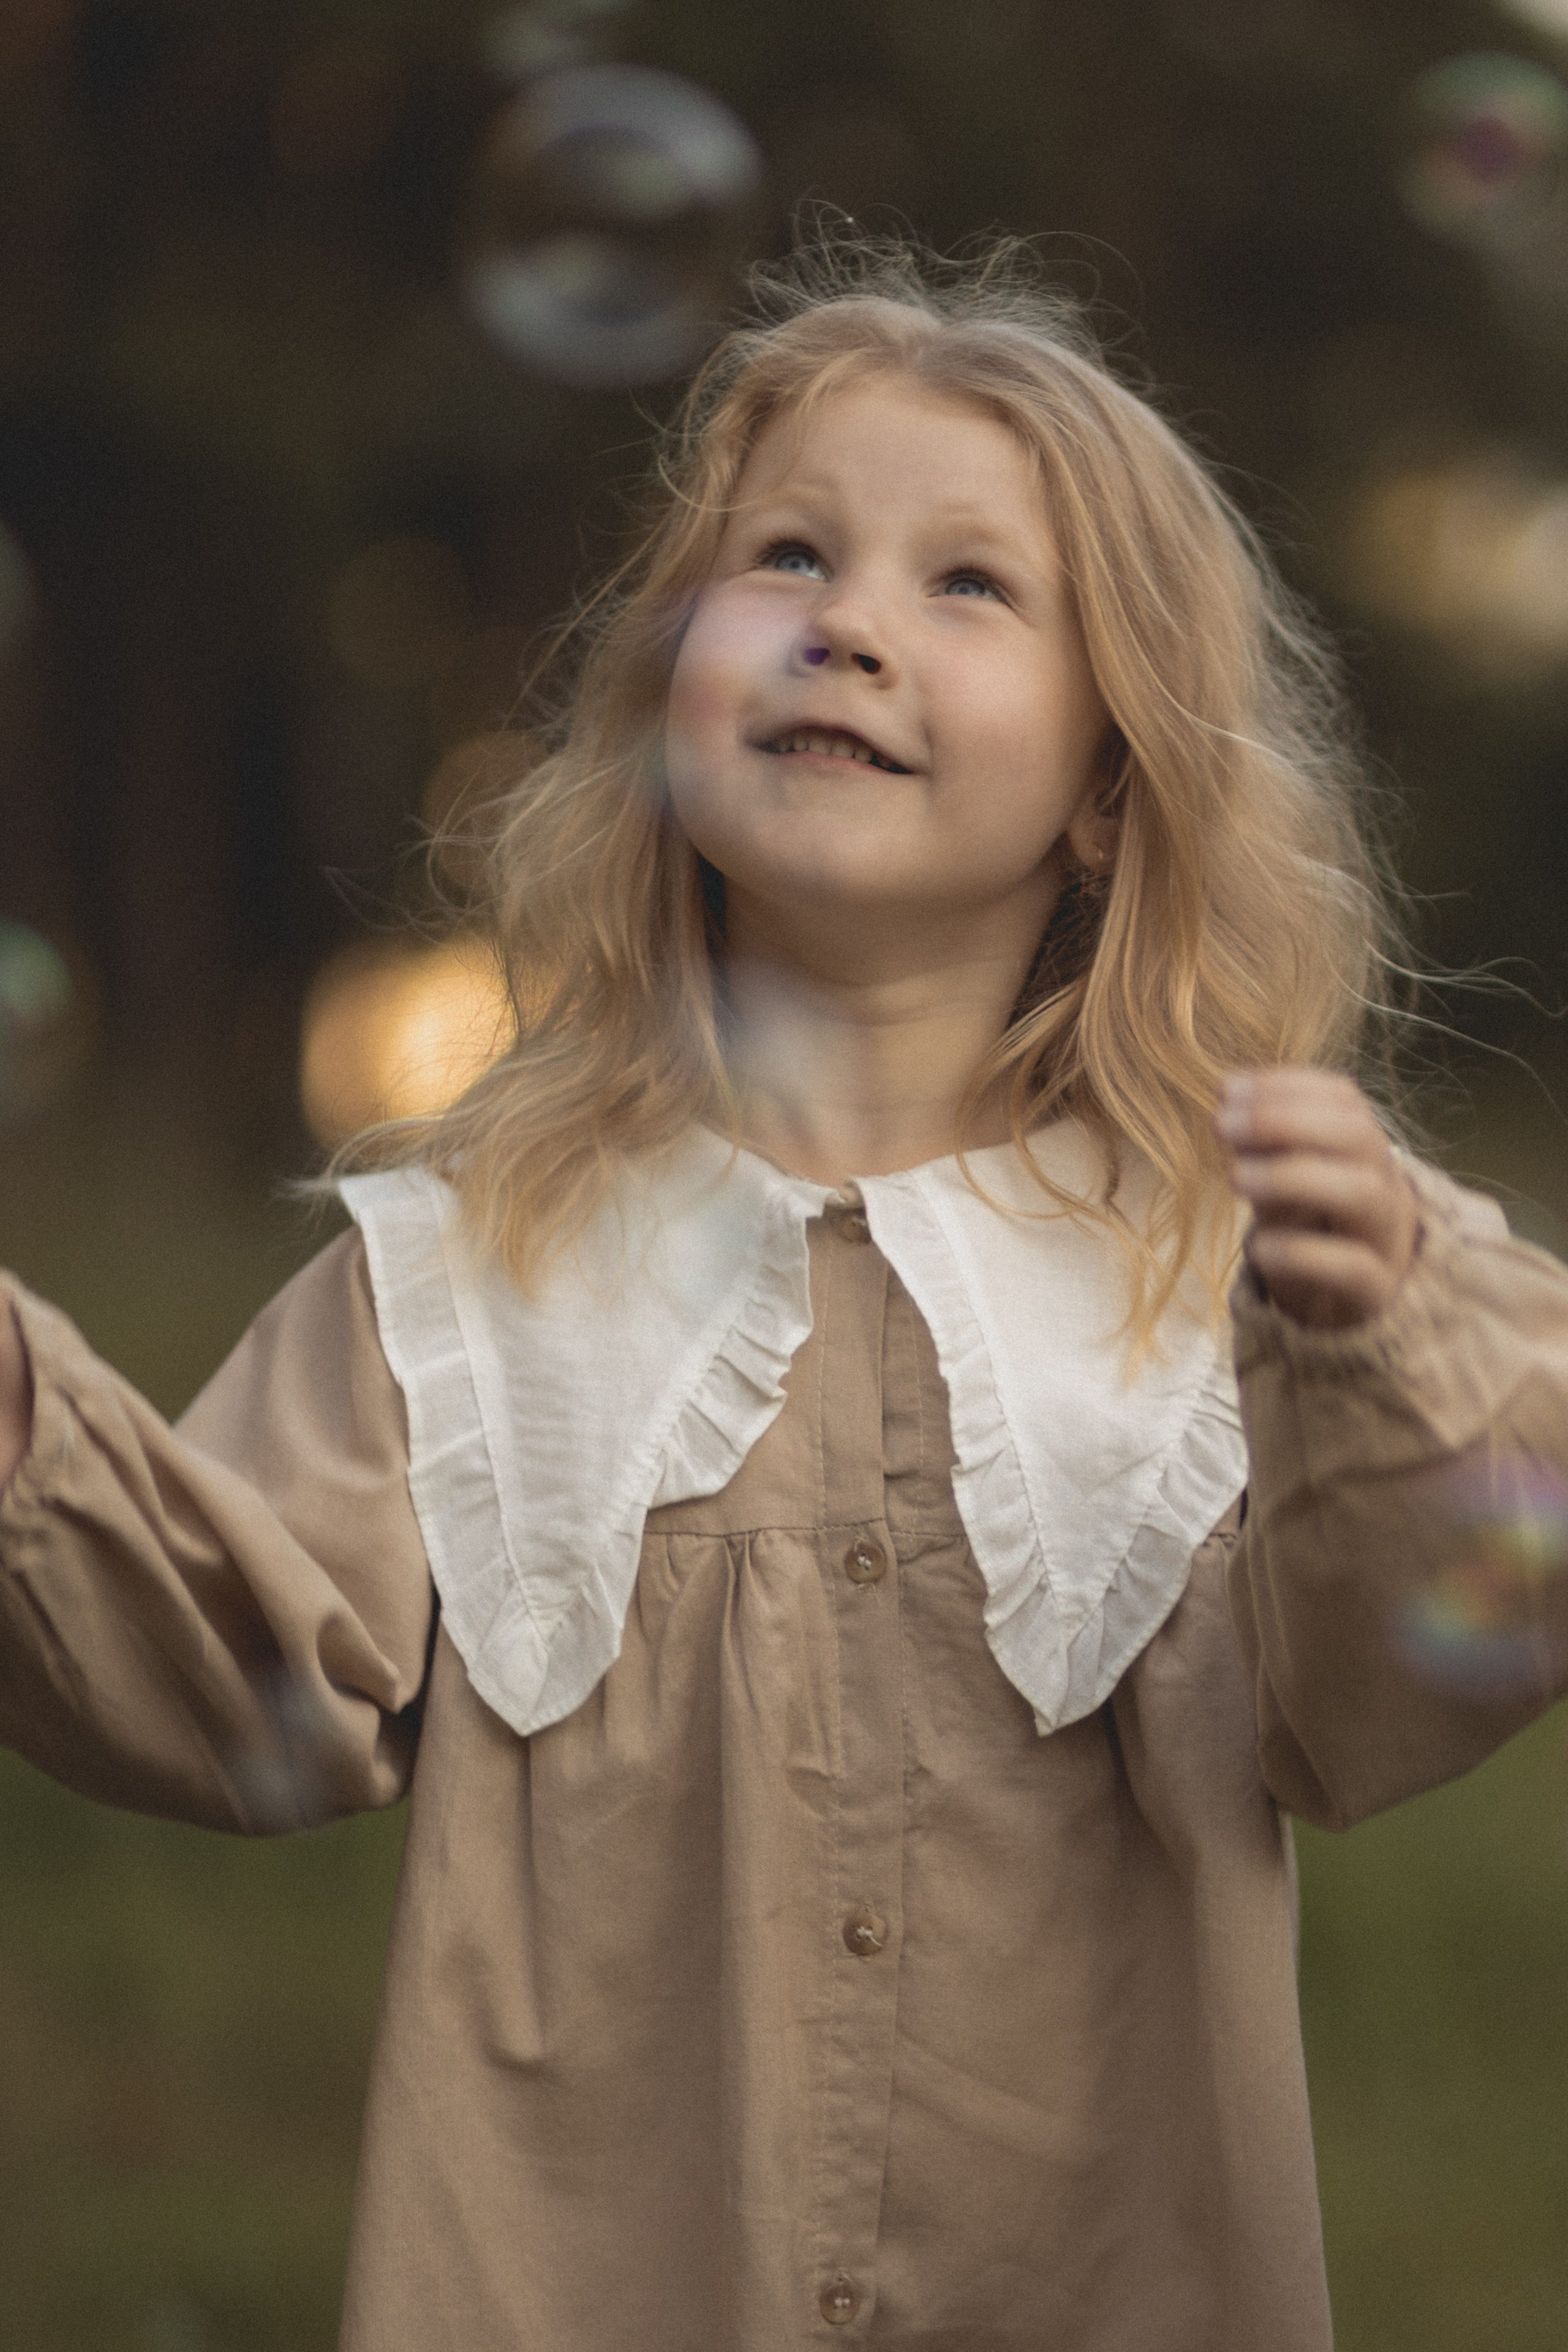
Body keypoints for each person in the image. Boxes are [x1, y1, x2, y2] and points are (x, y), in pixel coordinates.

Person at [2, 232, 1567, 2352]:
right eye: (793, 558)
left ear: (1114, 789)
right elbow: (207, 1676)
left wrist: (1385, 1339)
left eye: (968, 585)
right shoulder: (472, 1274)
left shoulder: (1250, 1269)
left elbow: (1408, 1680)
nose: (849, 624)